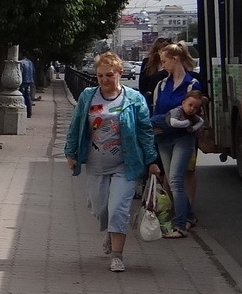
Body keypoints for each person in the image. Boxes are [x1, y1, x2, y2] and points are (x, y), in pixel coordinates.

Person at [64, 51, 163, 273]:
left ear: (119, 73)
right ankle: (111, 230)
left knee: (118, 208)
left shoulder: (134, 98)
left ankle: (117, 255)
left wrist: (151, 160)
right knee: (101, 209)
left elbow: (145, 131)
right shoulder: (88, 96)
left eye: (109, 75)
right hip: (96, 164)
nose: (104, 80)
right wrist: (70, 153)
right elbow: (76, 125)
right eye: (100, 76)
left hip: (125, 165)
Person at [148, 41, 202, 237]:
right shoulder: (162, 84)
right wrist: (155, 128)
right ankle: (190, 216)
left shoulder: (192, 84)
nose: (162, 65)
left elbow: (194, 112)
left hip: (183, 138)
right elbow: (156, 109)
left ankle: (180, 226)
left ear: (175, 59)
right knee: (172, 181)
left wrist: (182, 125)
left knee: (176, 180)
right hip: (163, 137)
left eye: (164, 61)